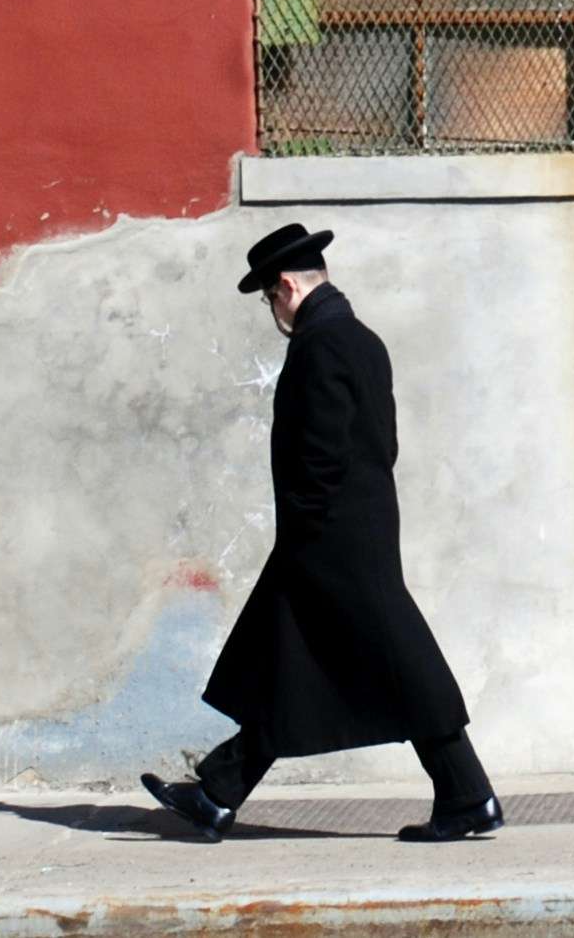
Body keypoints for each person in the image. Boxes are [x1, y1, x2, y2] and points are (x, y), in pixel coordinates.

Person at [143, 222, 503, 844]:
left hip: (328, 537)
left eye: (268, 298)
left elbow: (320, 451)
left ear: (286, 286)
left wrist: (307, 528)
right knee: (295, 660)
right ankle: (215, 794)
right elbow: (382, 444)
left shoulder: (320, 344)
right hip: (353, 529)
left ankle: (468, 795)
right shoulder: (360, 339)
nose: (272, 311)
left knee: (390, 659)